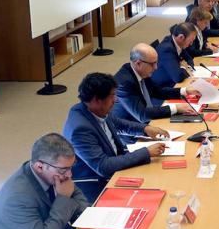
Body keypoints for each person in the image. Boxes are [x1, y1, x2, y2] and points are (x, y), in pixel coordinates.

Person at [63, 73, 169, 202]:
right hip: (98, 182)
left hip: (116, 161)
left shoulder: (94, 109)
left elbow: (118, 123)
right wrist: (146, 152)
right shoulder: (80, 129)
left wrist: (145, 129)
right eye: (112, 95)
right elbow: (103, 167)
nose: (116, 100)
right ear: (97, 100)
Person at [112, 43, 200, 126]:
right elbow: (142, 115)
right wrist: (176, 108)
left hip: (149, 120)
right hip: (134, 131)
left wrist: (185, 91)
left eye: (156, 63)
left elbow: (158, 91)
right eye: (152, 64)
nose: (156, 67)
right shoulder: (124, 84)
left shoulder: (140, 71)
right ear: (138, 63)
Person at [151, 22, 197, 88]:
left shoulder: (178, 43)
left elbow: (189, 58)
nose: (191, 44)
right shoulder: (166, 49)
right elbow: (178, 77)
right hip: (165, 87)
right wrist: (184, 68)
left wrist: (187, 67)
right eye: (190, 41)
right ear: (181, 37)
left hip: (173, 81)